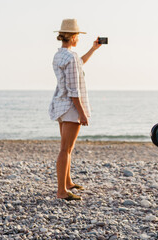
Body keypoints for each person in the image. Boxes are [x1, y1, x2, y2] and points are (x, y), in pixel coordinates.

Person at [49, 19, 101, 201]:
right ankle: (61, 191)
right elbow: (74, 89)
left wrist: (93, 49)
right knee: (65, 149)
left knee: (66, 148)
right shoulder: (70, 58)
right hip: (70, 106)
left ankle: (68, 182)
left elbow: (79, 64)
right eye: (77, 35)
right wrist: (82, 112)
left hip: (60, 105)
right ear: (72, 37)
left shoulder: (61, 55)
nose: (78, 38)